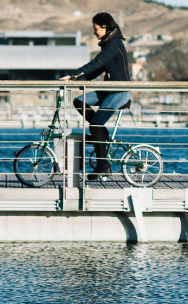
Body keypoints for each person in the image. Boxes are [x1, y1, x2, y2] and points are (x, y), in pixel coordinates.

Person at [60, 13, 132, 180]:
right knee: (79, 101)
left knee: (95, 125)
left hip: (120, 91)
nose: (94, 33)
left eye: (96, 29)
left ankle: (102, 165)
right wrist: (76, 80)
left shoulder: (113, 44)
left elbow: (97, 63)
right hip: (110, 89)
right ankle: (101, 134)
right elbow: (98, 70)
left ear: (105, 27)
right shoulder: (109, 44)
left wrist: (73, 75)